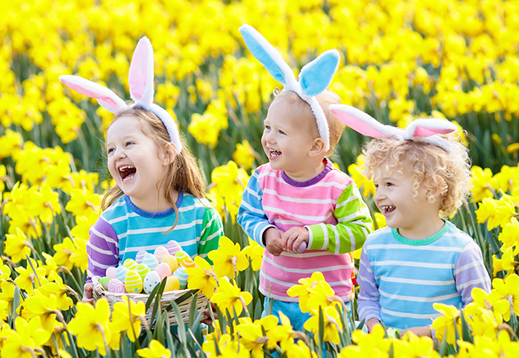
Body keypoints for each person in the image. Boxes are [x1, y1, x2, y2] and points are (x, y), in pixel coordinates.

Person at [59, 37, 223, 303]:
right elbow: (98, 290)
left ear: (167, 153)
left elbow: (217, 284)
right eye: (111, 149)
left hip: (191, 339)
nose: (117, 154)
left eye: (129, 143)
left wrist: (216, 309)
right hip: (133, 336)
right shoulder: (108, 227)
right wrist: (91, 296)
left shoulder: (203, 218)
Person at [236, 25, 373, 330]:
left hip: (327, 299)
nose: (268, 138)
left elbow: (361, 231)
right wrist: (266, 233)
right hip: (275, 294)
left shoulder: (338, 187)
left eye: (281, 132)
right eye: (268, 127)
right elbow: (246, 214)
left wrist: (314, 236)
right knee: (273, 346)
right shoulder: (262, 178)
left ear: (316, 147)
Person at [329, 104, 491, 338]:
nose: (379, 195)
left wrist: (426, 335)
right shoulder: (375, 246)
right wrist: (375, 329)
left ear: (433, 188)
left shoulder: (461, 252)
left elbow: (478, 313)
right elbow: (367, 300)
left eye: (390, 185)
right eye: (377, 185)